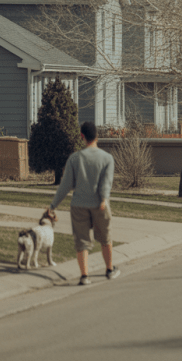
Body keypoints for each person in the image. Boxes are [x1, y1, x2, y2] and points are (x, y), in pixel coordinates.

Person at [47, 121, 119, 286]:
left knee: (82, 241)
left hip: (78, 205)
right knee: (105, 238)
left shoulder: (74, 159)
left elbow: (65, 185)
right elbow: (106, 182)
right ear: (97, 136)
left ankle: (85, 276)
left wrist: (53, 206)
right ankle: (109, 269)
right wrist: (103, 198)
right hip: (100, 204)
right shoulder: (107, 158)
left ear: (82, 136)